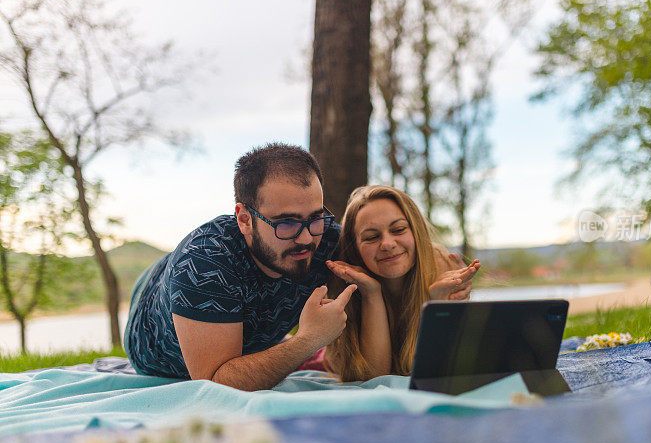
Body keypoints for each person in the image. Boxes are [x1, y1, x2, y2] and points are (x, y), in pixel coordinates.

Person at [124, 143, 357, 390]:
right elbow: (216, 384)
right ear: (245, 219)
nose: (306, 239)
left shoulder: (327, 237)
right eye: (286, 222)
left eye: (314, 217)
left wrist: (373, 291)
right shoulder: (204, 264)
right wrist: (308, 340)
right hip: (153, 327)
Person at [322, 185, 480, 381]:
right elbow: (373, 377)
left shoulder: (441, 267)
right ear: (355, 250)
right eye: (371, 237)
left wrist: (437, 304)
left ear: (416, 232)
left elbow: (443, 372)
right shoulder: (348, 286)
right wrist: (372, 294)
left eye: (398, 229)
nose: (387, 244)